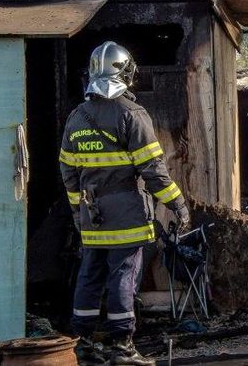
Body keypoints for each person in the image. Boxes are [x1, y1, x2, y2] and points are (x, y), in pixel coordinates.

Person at [60, 41, 191, 365]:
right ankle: (122, 346)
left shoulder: (76, 117)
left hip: (92, 216)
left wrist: (78, 213)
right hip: (126, 214)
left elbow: (68, 173)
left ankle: (84, 344)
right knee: (123, 275)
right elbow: (154, 172)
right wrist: (178, 205)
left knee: (89, 276)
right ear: (127, 73)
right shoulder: (131, 114)